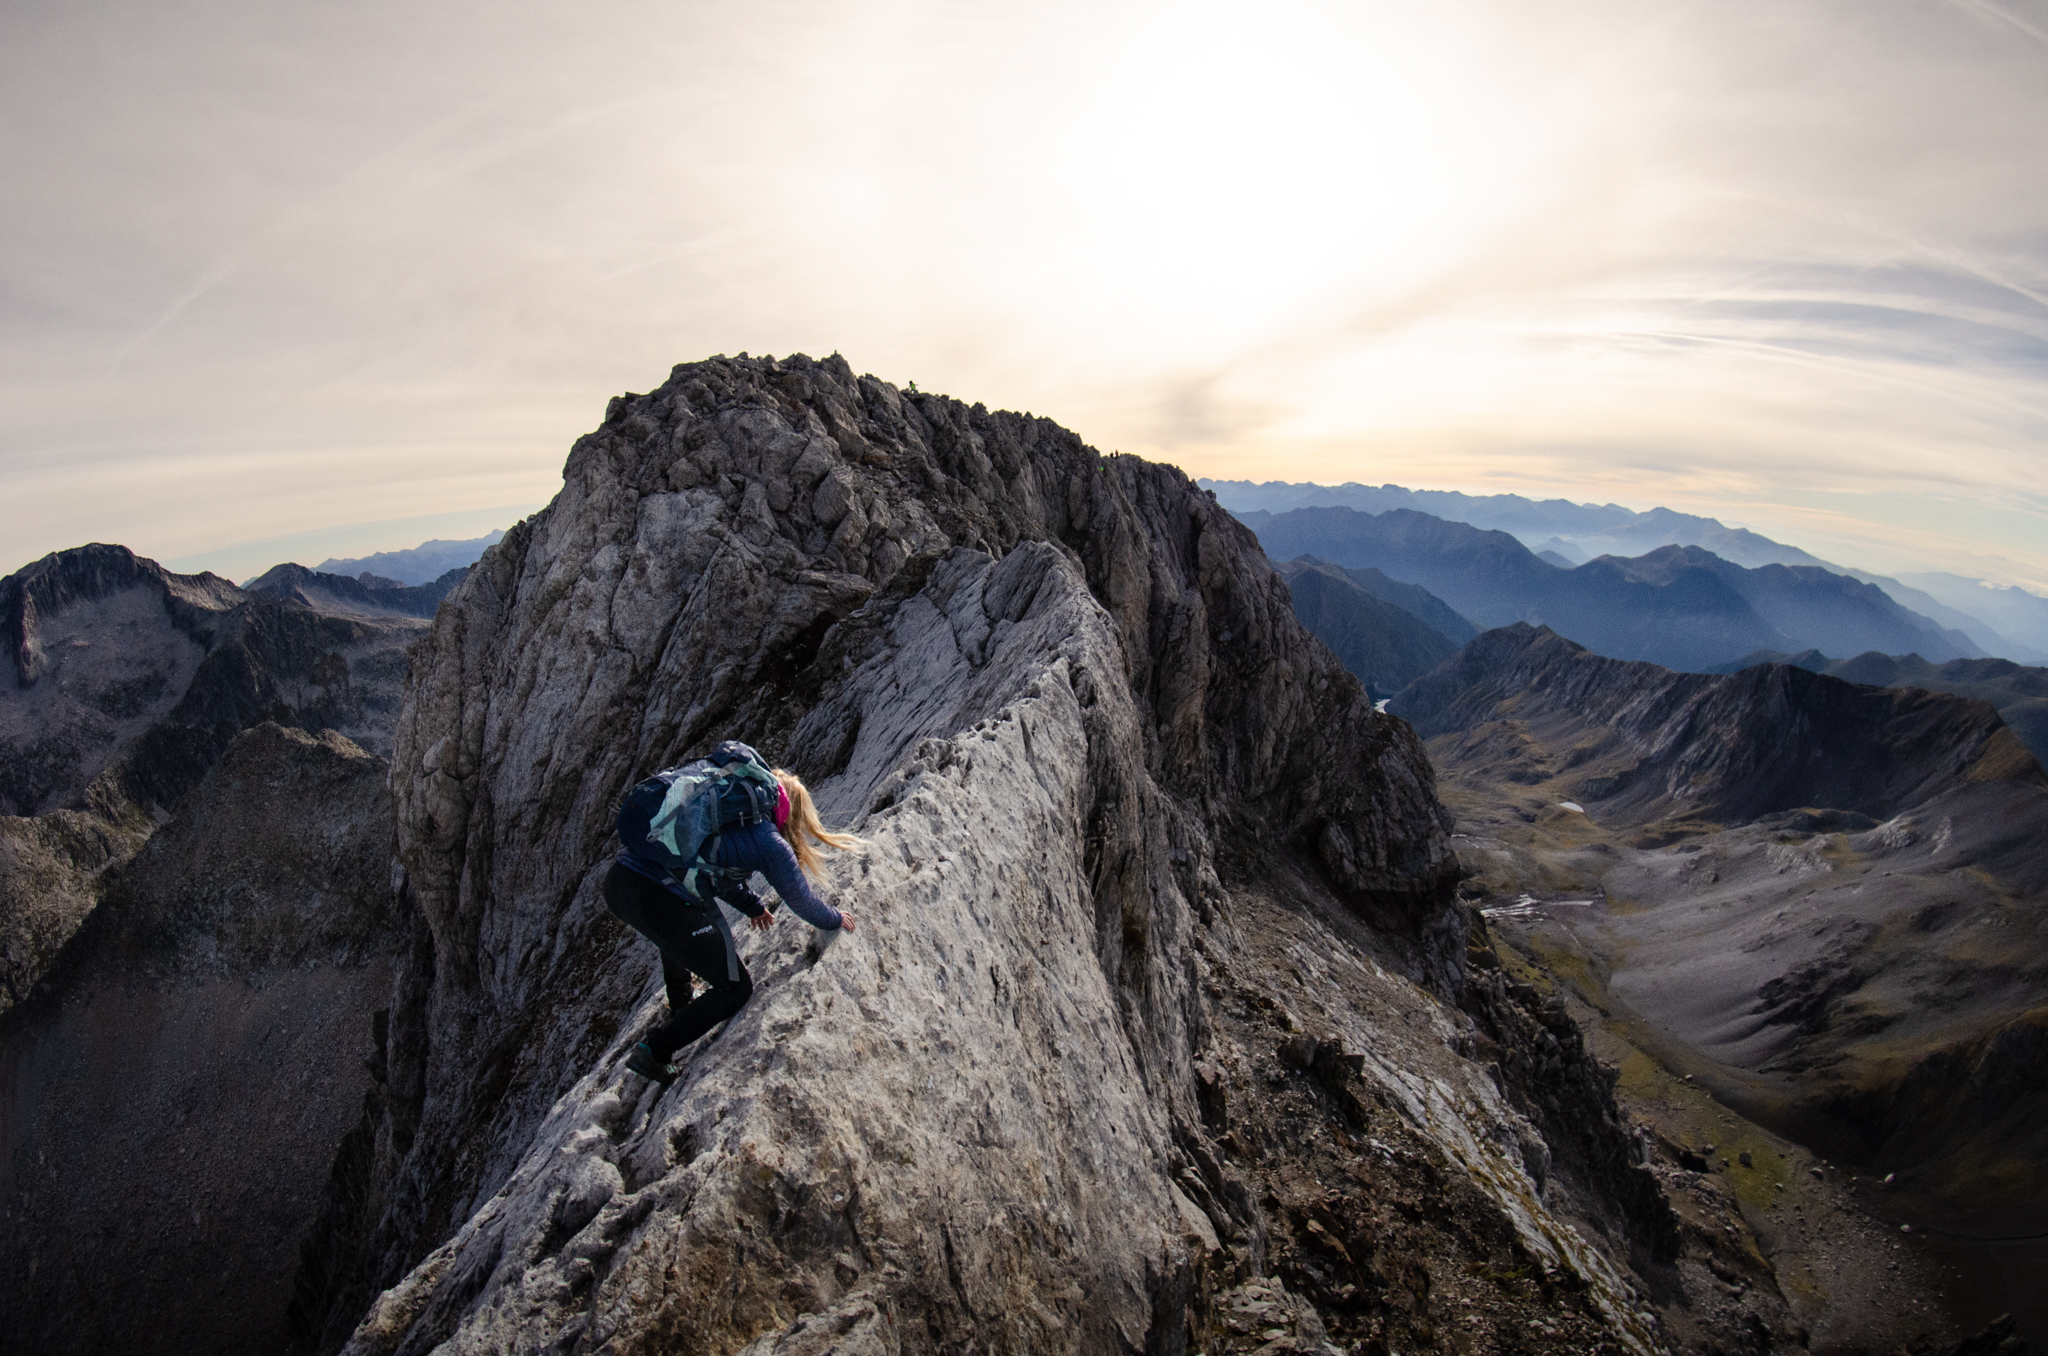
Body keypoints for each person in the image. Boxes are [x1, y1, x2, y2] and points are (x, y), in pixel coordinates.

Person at [604, 763, 858, 1084]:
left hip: (621, 881)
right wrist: (834, 918)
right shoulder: (770, 843)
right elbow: (801, 900)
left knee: (678, 923)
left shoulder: (728, 812)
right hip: (657, 896)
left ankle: (681, 1005)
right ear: (793, 816)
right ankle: (655, 1050)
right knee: (736, 988)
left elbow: (713, 871)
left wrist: (752, 906)